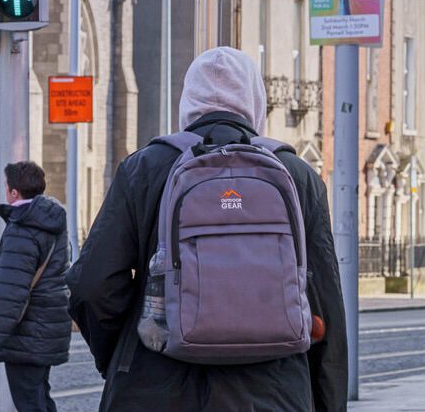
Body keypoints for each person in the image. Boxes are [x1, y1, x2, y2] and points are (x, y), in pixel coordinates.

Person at [66, 46, 348, 411]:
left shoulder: (144, 169)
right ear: (254, 101)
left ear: (188, 102)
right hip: (274, 393)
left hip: (154, 390)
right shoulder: (299, 178)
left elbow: (91, 287)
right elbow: (325, 307)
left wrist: (125, 356)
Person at [0, 160, 70, 412]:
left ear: (14, 192)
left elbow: (11, 294)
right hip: (45, 328)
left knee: (30, 403)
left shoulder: (22, 229)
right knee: (40, 398)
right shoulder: (50, 219)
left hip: (26, 335)